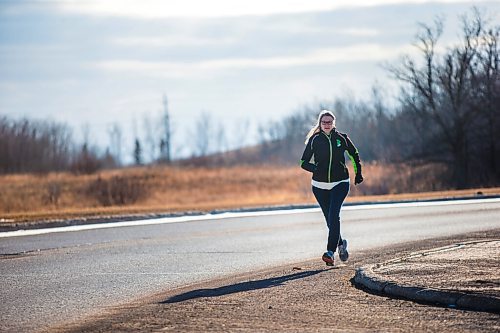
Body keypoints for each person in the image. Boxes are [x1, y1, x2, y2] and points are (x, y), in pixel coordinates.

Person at [300, 110, 363, 266]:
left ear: (333, 123)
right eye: (324, 122)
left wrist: (358, 173)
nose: (327, 124)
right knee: (330, 220)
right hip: (319, 186)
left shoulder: (342, 138)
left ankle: (330, 252)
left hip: (340, 182)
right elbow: (303, 162)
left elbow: (354, 154)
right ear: (320, 124)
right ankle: (341, 244)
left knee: (334, 216)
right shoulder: (315, 140)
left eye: (329, 122)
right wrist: (315, 169)